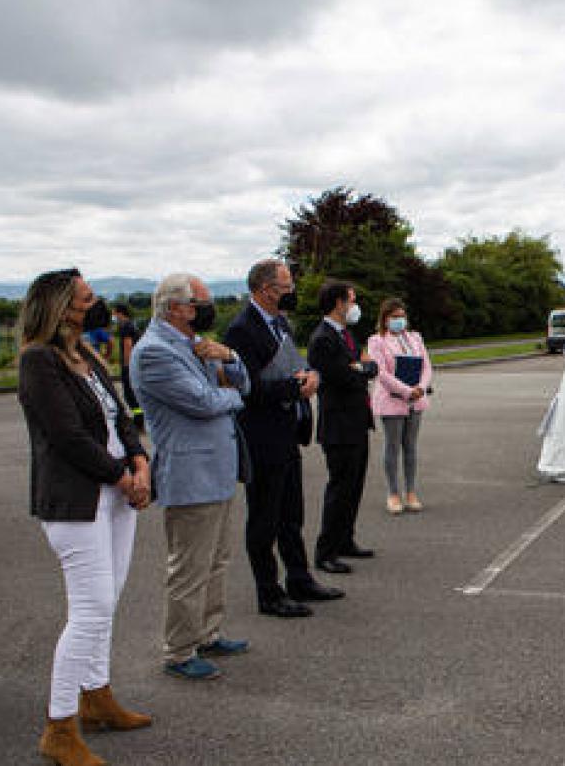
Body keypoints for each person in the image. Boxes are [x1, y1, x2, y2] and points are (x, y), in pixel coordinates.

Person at [16, 269, 153, 765]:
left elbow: (119, 417)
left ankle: (96, 698)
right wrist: (123, 476)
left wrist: (139, 461)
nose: (95, 303)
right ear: (59, 306)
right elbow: (68, 437)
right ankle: (59, 726)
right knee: (90, 608)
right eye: (86, 298)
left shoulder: (88, 354)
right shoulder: (39, 361)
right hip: (79, 500)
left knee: (108, 599)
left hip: (117, 493)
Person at [130, 273, 252, 681]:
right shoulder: (154, 353)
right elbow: (201, 402)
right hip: (190, 472)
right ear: (176, 308)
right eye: (199, 303)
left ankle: (207, 631)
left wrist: (230, 358)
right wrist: (232, 398)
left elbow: (243, 383)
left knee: (217, 560)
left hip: (217, 468)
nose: (206, 309)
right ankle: (179, 650)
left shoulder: (198, 346)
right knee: (189, 567)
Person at [224, 259, 343, 617]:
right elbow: (249, 388)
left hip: (287, 431)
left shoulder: (281, 325)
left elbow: (291, 365)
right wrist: (295, 386)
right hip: (261, 436)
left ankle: (299, 577)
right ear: (265, 289)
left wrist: (308, 377)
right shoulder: (242, 330)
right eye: (286, 287)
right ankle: (268, 591)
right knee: (265, 517)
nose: (291, 293)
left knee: (291, 513)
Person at [308, 281, 379, 572]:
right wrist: (362, 369)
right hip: (338, 424)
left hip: (357, 421)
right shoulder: (323, 339)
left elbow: (368, 368)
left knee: (354, 485)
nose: (354, 306)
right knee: (340, 488)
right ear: (338, 303)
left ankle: (345, 539)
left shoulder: (346, 334)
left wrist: (363, 368)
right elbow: (344, 377)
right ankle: (326, 552)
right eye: (351, 300)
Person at [367, 298, 432, 514]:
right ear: (385, 319)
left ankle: (411, 492)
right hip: (392, 399)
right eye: (395, 317)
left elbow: (426, 366)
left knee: (411, 446)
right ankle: (393, 493)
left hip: (416, 399)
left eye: (402, 316)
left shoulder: (415, 338)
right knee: (392, 446)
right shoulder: (377, 341)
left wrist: (421, 387)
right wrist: (406, 390)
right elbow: (381, 372)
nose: (399, 320)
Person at [113, 302, 143, 428]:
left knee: (129, 393)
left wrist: (126, 366)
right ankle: (139, 419)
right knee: (133, 392)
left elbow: (128, 345)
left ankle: (138, 421)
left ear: (120, 313)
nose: (114, 316)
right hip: (137, 363)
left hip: (130, 365)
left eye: (114, 312)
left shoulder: (125, 326)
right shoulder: (132, 324)